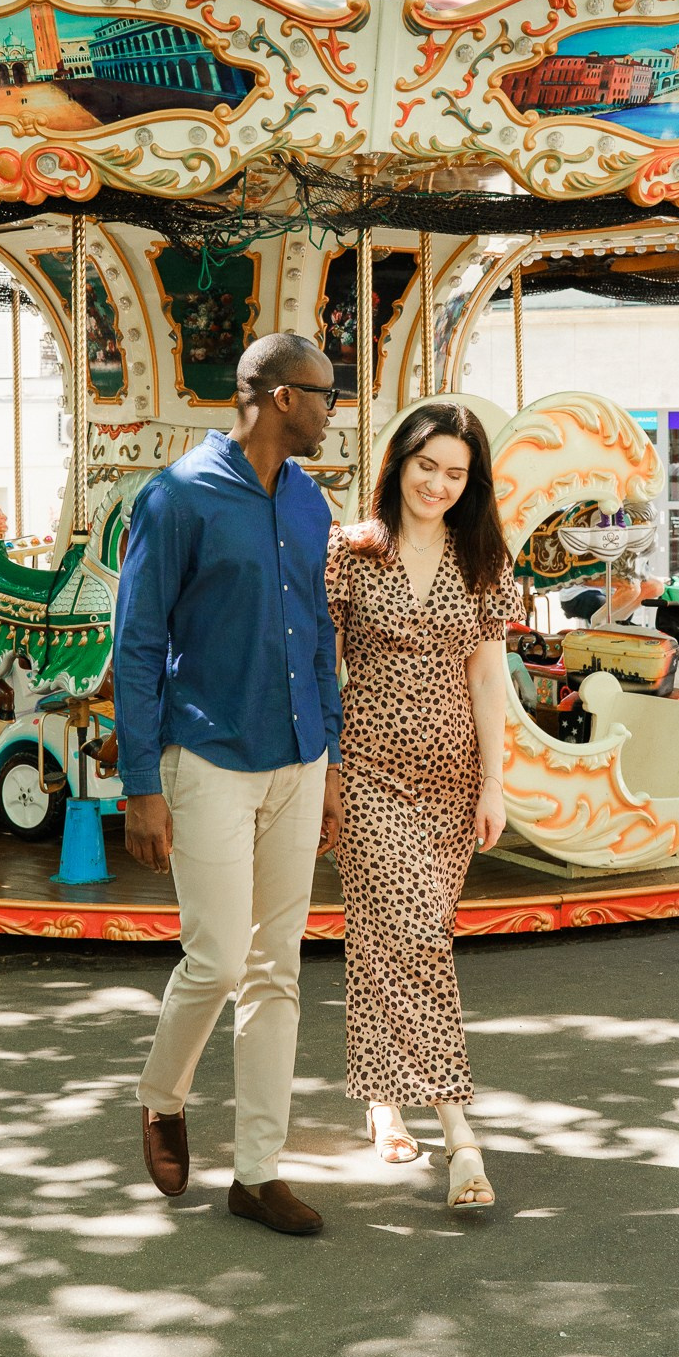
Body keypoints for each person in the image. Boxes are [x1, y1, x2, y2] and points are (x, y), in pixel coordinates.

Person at [113, 332, 344, 1238]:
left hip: (297, 758)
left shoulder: (310, 503)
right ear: (282, 397)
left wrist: (327, 759)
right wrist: (141, 784)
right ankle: (162, 1096)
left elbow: (318, 633)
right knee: (214, 959)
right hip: (206, 756)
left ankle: (256, 1171)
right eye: (326, 394)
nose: (335, 411)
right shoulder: (175, 498)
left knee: (274, 972)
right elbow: (135, 645)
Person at [326, 403, 518, 1211]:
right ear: (397, 462)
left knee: (391, 939)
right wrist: (326, 773)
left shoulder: (481, 560)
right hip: (368, 771)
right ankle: (460, 1133)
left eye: (455, 472)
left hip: (450, 781)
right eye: (426, 465)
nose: (438, 484)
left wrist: (495, 782)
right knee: (414, 935)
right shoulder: (348, 552)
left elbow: (485, 676)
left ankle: (382, 1101)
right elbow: (323, 665)